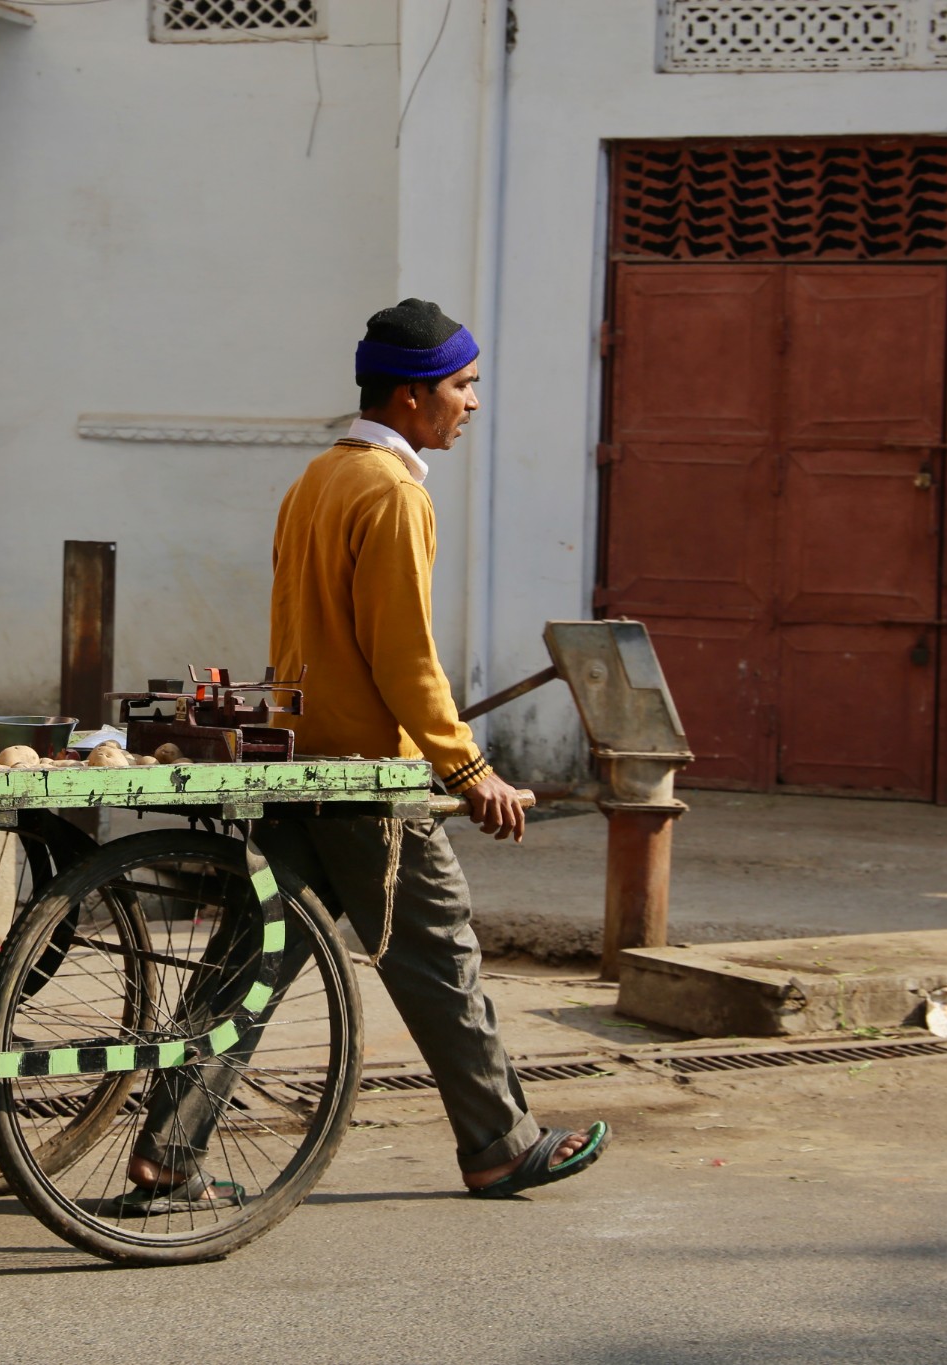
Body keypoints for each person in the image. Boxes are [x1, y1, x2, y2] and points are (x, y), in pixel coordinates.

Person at [126, 299, 608, 1203]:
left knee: (251, 957)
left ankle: (167, 1149)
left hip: (297, 762)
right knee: (439, 956)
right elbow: (404, 656)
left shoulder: (319, 477)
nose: (471, 403)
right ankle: (501, 1143)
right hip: (362, 781)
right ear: (414, 395)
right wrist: (467, 767)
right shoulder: (392, 492)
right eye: (463, 386)